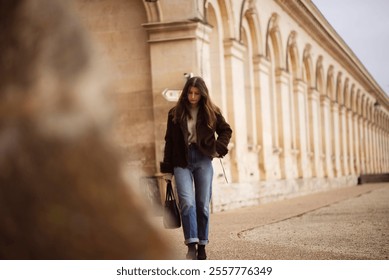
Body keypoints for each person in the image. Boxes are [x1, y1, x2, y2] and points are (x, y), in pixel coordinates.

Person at [160, 76, 232, 260]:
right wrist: (167, 169)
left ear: (202, 94)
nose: (193, 97)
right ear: (185, 93)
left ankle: (202, 245)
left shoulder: (211, 111)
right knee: (187, 202)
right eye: (190, 93)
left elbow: (226, 130)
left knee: (202, 205)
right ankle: (191, 244)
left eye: (197, 94)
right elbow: (169, 141)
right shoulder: (174, 113)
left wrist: (218, 148)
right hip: (181, 161)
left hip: (203, 160)